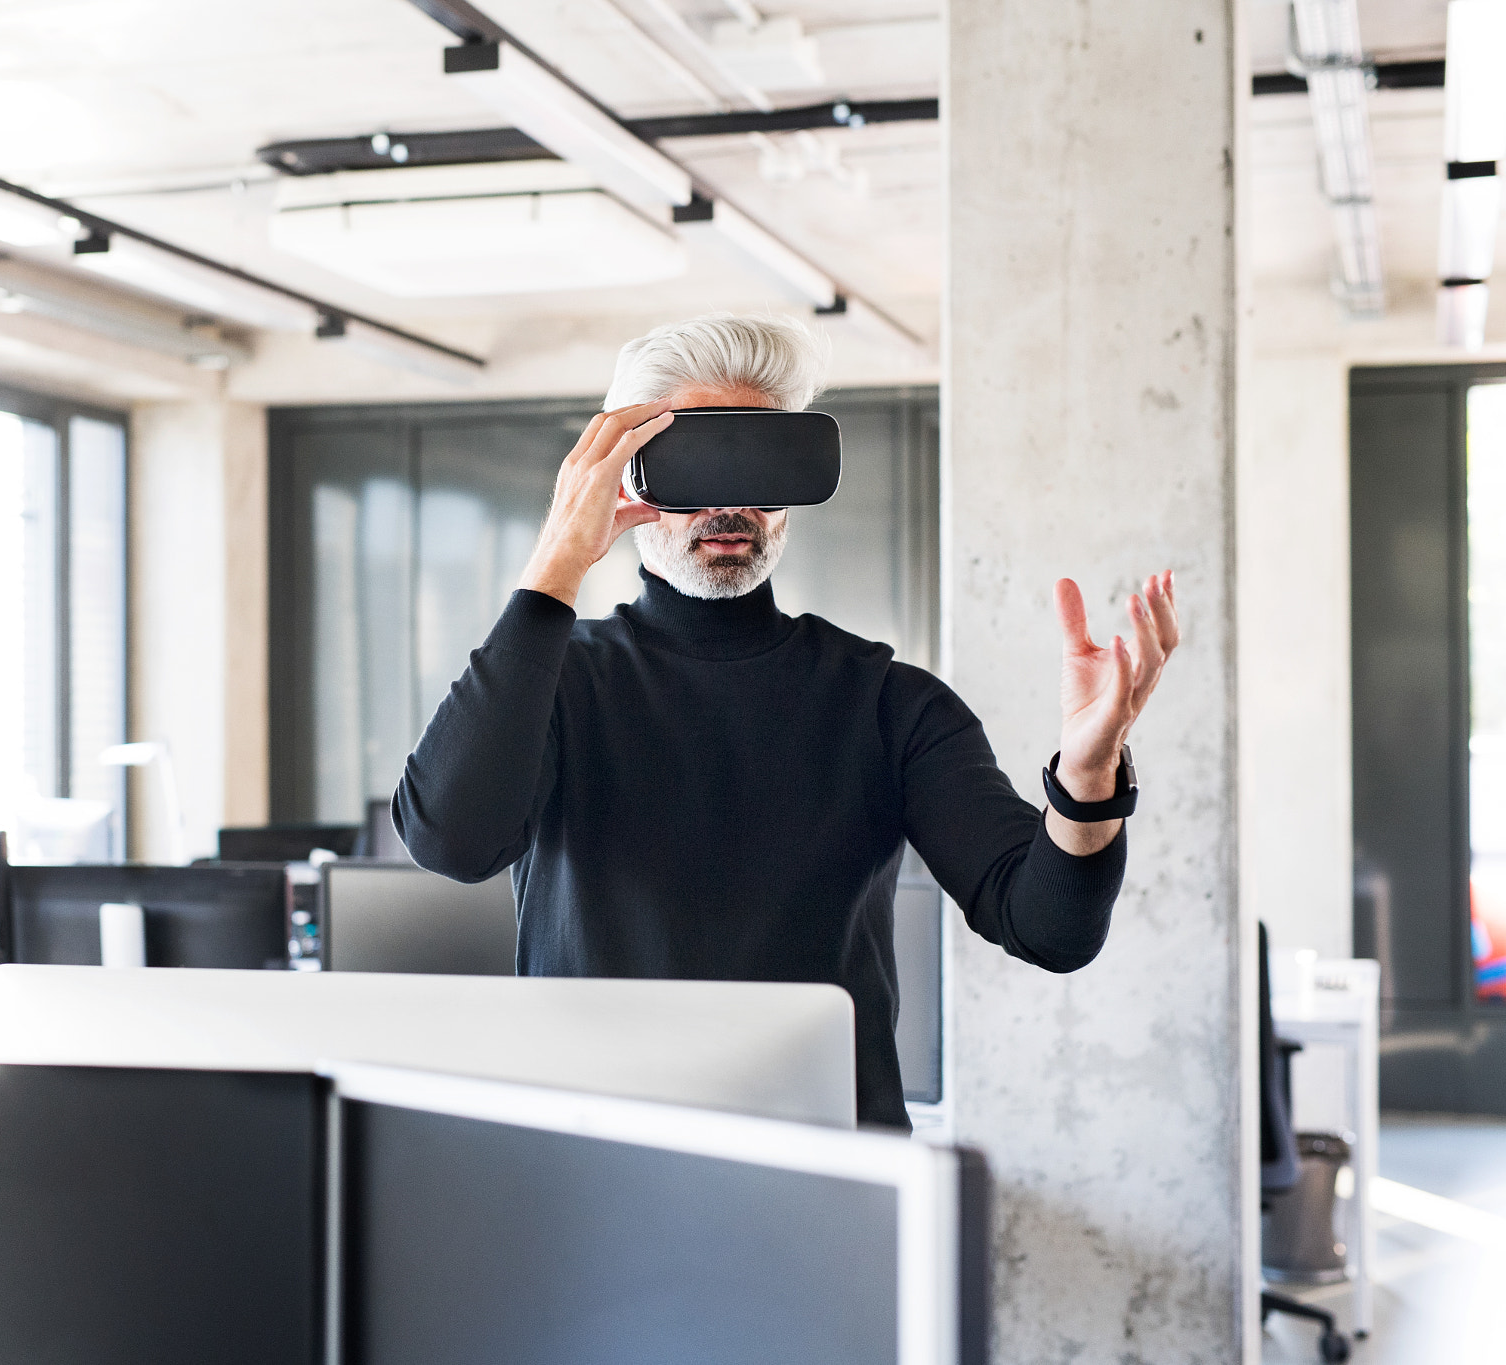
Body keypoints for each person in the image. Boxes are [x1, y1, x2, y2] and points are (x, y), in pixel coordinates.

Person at [393, 314, 1180, 1127]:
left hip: (829, 1175)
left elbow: (1049, 927)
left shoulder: (887, 703)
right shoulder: (553, 685)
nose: (732, 502)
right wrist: (559, 558)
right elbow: (450, 840)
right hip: (599, 1171)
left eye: (762, 464)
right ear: (626, 479)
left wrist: (1087, 782)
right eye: (697, 464)